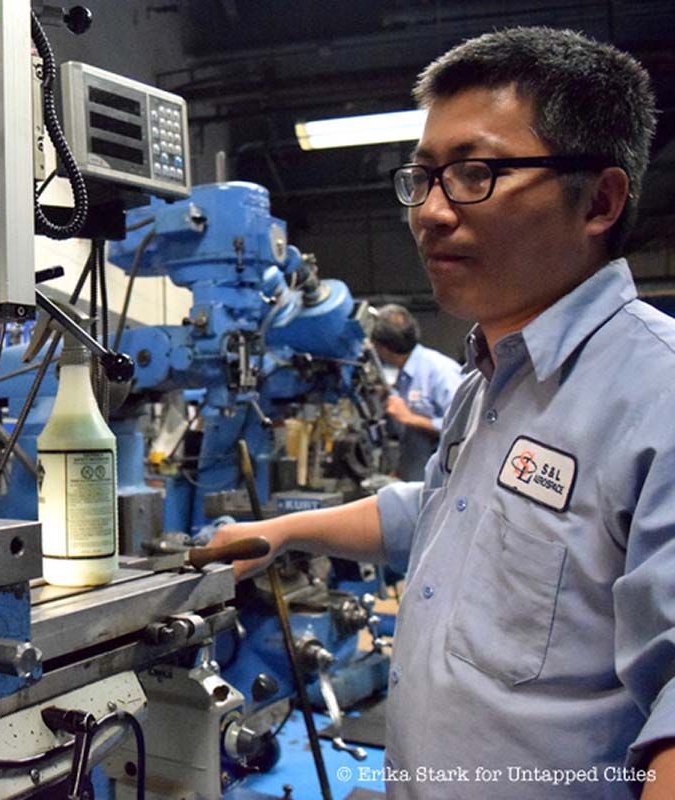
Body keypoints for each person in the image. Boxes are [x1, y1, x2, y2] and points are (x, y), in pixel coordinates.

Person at [212, 27, 670, 799]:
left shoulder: (654, 393)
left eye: (472, 174)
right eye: (421, 178)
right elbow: (442, 509)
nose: (428, 212)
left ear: (599, 200)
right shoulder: (489, 374)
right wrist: (281, 532)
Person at [370, 303, 462, 480]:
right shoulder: (404, 377)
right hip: (414, 479)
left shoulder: (440, 371)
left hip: (442, 484)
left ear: (383, 348)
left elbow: (463, 427)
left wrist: (409, 418)